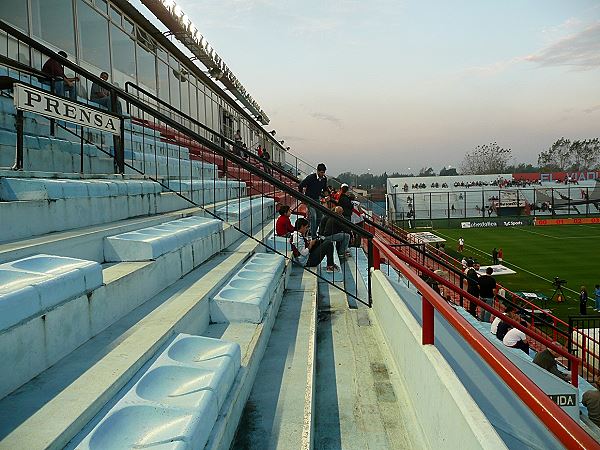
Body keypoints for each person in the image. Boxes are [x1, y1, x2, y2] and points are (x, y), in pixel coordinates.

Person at [298, 163, 329, 237]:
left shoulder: (324, 179)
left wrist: (327, 195)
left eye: (324, 172)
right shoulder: (311, 177)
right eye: (321, 172)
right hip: (309, 198)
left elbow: (325, 189)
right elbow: (300, 186)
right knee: (313, 216)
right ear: (317, 171)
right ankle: (313, 235)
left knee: (320, 216)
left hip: (316, 199)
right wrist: (302, 197)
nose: (322, 174)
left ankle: (312, 232)